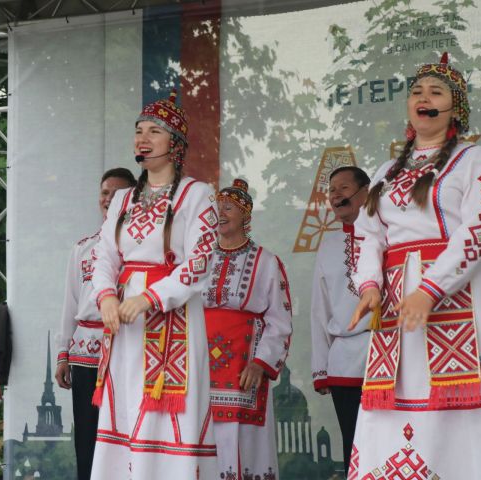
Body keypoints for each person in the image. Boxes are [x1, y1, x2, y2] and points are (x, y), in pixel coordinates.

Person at [348, 53, 481, 478]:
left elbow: (477, 231)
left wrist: (429, 289)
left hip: (452, 299)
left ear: (454, 108)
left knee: (451, 405)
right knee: (389, 404)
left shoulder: (474, 160)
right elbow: (367, 235)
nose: (423, 98)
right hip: (393, 308)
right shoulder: (386, 170)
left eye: (436, 91)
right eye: (416, 91)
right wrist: (370, 285)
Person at [90, 91, 219, 479]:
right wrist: (107, 297)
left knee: (165, 411)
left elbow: (200, 262)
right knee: (124, 408)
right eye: (138, 131)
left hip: (171, 317)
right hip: (125, 324)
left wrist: (151, 297)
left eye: (154, 131)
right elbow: (104, 256)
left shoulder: (197, 194)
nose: (142, 138)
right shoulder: (124, 199)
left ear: (175, 144)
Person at [202, 178, 292, 480]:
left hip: (244, 368)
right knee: (201, 435)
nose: (220, 213)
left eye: (228, 207)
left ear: (245, 215)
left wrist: (260, 363)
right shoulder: (199, 259)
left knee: (242, 444)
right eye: (216, 208)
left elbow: (280, 320)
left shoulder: (266, 261)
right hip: (201, 366)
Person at [54, 167, 137, 480]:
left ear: (133, 199)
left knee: (127, 430)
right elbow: (70, 304)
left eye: (117, 194)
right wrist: (63, 353)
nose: (108, 199)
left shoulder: (145, 251)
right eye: (104, 192)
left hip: (129, 347)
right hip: (87, 351)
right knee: (88, 433)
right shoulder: (84, 248)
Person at [310, 166, 371, 473]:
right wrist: (321, 367)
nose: (336, 196)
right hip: (344, 359)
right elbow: (320, 309)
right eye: (332, 191)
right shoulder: (329, 244)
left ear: (366, 192)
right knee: (352, 444)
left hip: (386, 355)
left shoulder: (387, 236)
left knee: (392, 440)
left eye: (344, 188)